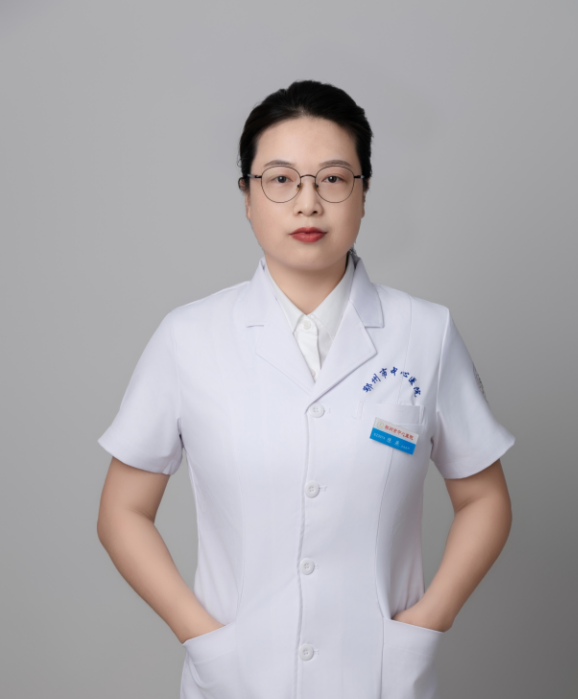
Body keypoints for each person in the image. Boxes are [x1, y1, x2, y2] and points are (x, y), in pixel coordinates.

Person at [96, 80, 515, 699]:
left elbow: (484, 499)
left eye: (334, 179)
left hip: (380, 677)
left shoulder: (426, 333)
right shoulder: (188, 338)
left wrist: (429, 621)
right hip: (237, 677)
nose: (308, 203)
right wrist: (202, 637)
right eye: (281, 180)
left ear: (364, 194)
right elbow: (121, 512)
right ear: (247, 196)